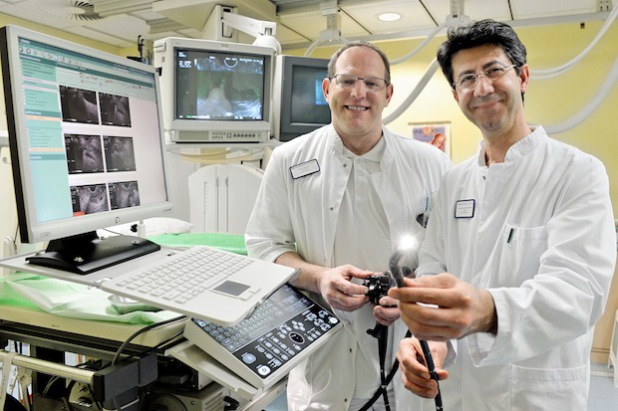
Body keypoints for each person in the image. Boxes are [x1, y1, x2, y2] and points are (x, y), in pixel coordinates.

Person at [389, 19, 617, 410]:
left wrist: (486, 310)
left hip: (534, 394)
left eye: (495, 70)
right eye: (467, 78)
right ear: (456, 93)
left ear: (523, 76)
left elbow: (578, 292)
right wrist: (429, 341)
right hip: (457, 390)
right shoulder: (453, 182)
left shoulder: (577, 172)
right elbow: (432, 272)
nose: (482, 88)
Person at [245, 40, 450, 411]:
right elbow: (263, 248)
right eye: (347, 81)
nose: (359, 93)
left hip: (406, 364)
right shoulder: (288, 161)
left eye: (372, 84)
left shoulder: (432, 164)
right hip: (322, 372)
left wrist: (410, 297)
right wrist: (319, 278)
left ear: (388, 94)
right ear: (327, 89)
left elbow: (452, 260)